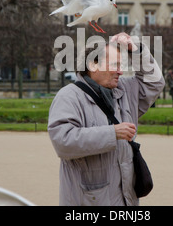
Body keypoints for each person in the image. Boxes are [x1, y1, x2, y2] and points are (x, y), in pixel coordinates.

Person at [48, 32, 165, 206]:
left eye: (121, 65)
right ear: (93, 65)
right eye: (115, 65)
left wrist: (136, 50)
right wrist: (112, 133)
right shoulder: (68, 96)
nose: (120, 71)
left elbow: (154, 83)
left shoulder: (124, 89)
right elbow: (63, 142)